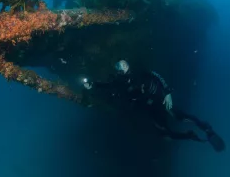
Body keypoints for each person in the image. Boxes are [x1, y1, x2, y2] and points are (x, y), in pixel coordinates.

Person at [83, 60, 226, 152]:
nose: (123, 66)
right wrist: (93, 85)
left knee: (180, 118)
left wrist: (168, 92)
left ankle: (205, 130)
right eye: (120, 66)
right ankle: (190, 136)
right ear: (118, 70)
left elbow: (156, 75)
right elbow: (107, 85)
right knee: (165, 134)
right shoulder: (120, 81)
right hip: (150, 108)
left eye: (124, 64)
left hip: (160, 100)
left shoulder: (139, 71)